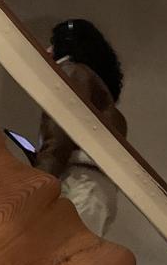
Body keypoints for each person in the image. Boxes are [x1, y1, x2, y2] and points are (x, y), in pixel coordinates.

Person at [33, 19, 127, 236]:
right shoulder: (103, 95)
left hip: (79, 183)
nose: (47, 51)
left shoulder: (71, 72)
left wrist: (36, 186)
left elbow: (59, 137)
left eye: (53, 43)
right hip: (99, 188)